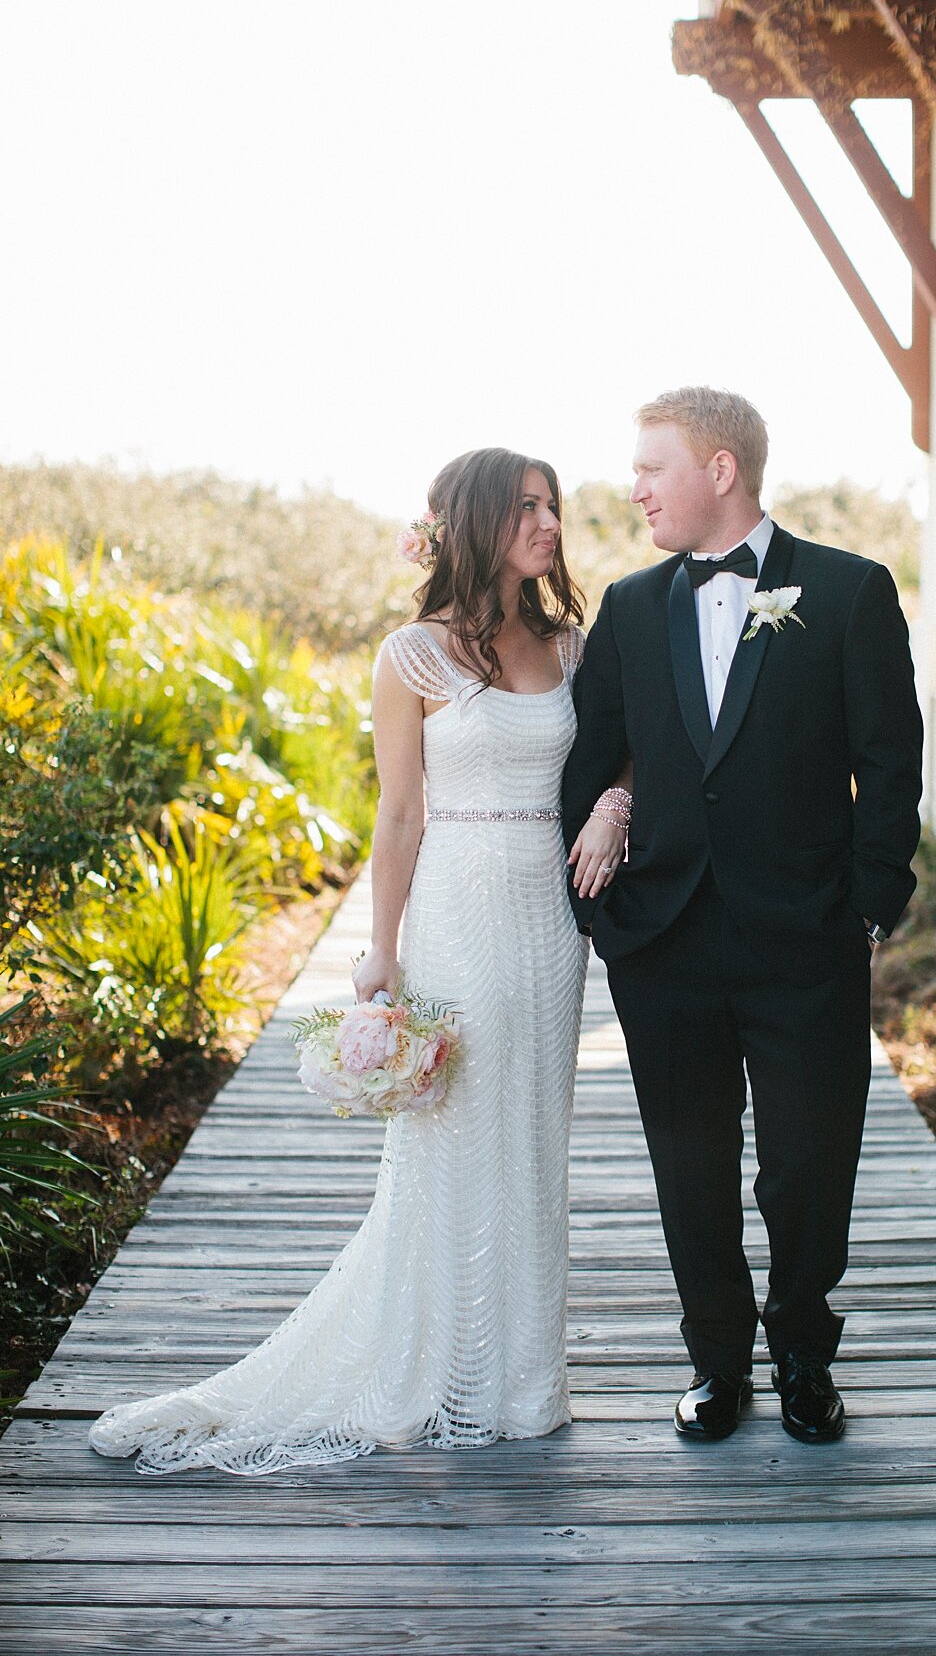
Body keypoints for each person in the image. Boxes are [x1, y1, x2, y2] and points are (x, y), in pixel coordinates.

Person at [90, 447, 622, 1473]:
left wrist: (614, 800)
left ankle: (523, 1381)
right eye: (525, 507)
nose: (549, 522)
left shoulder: (573, 647)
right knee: (452, 1144)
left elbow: (616, 758)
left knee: (532, 1135)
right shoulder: (409, 657)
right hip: (457, 913)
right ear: (474, 523)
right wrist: (381, 948)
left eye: (553, 505)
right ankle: (440, 1373)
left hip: (552, 925)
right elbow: (399, 812)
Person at [560, 386, 922, 1445]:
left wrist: (868, 902)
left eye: (653, 468)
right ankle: (716, 1361)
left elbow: (887, 763)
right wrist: (605, 883)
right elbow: (592, 760)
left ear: (720, 470)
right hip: (664, 941)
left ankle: (804, 1352)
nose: (635, 490)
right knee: (690, 1162)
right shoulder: (629, 608)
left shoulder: (850, 592)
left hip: (807, 938)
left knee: (810, 1161)